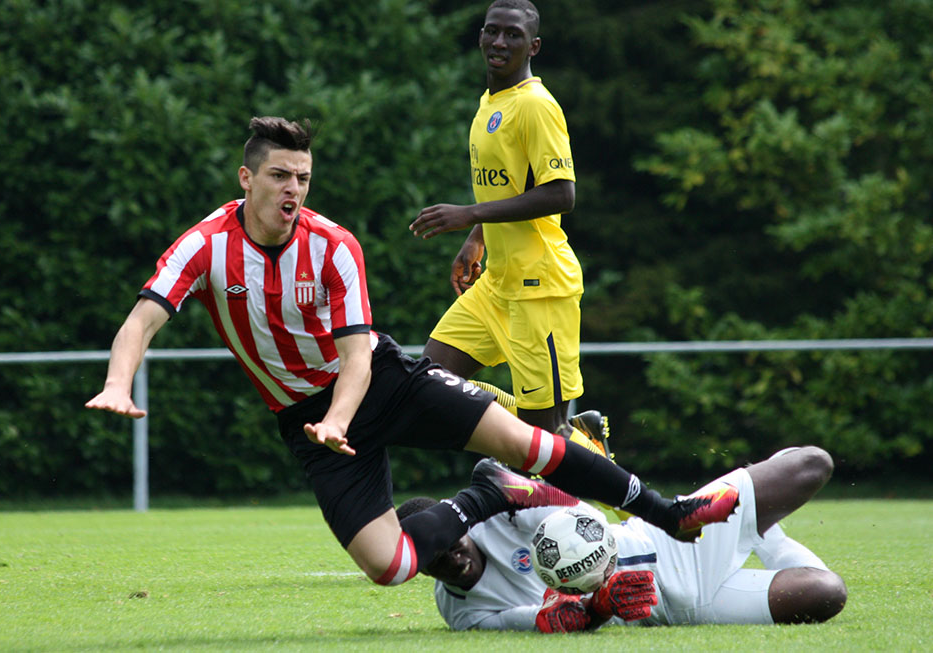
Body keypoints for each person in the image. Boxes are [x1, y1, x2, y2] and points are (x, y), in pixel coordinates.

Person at [85, 116, 740, 589]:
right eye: (280, 175)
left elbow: (358, 356)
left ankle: (668, 511)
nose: (294, 190)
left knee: (528, 441)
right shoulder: (203, 245)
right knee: (390, 566)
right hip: (306, 422)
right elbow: (142, 319)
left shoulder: (334, 244)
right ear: (246, 177)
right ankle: (490, 494)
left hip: (381, 382)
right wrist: (118, 382)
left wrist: (340, 418)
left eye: (304, 177)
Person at [399, 446, 848, 631]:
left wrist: (516, 486)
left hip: (673, 533)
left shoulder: (495, 513)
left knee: (812, 462)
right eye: (434, 562)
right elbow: (545, 621)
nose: (450, 560)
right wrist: (599, 606)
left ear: (458, 526)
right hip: (682, 605)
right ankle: (762, 531)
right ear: (418, 568)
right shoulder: (460, 611)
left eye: (450, 544)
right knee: (827, 593)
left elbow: (582, 515)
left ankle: (756, 526)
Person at [410, 0, 583, 434]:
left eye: (513, 35)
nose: (499, 42)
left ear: (534, 47)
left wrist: (468, 215)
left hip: (539, 288)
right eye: (492, 31)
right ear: (481, 36)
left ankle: (627, 489)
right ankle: (571, 431)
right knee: (425, 385)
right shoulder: (491, 102)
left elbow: (562, 193)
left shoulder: (536, 106)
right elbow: (509, 185)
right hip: (497, 285)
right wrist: (477, 239)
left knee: (545, 444)